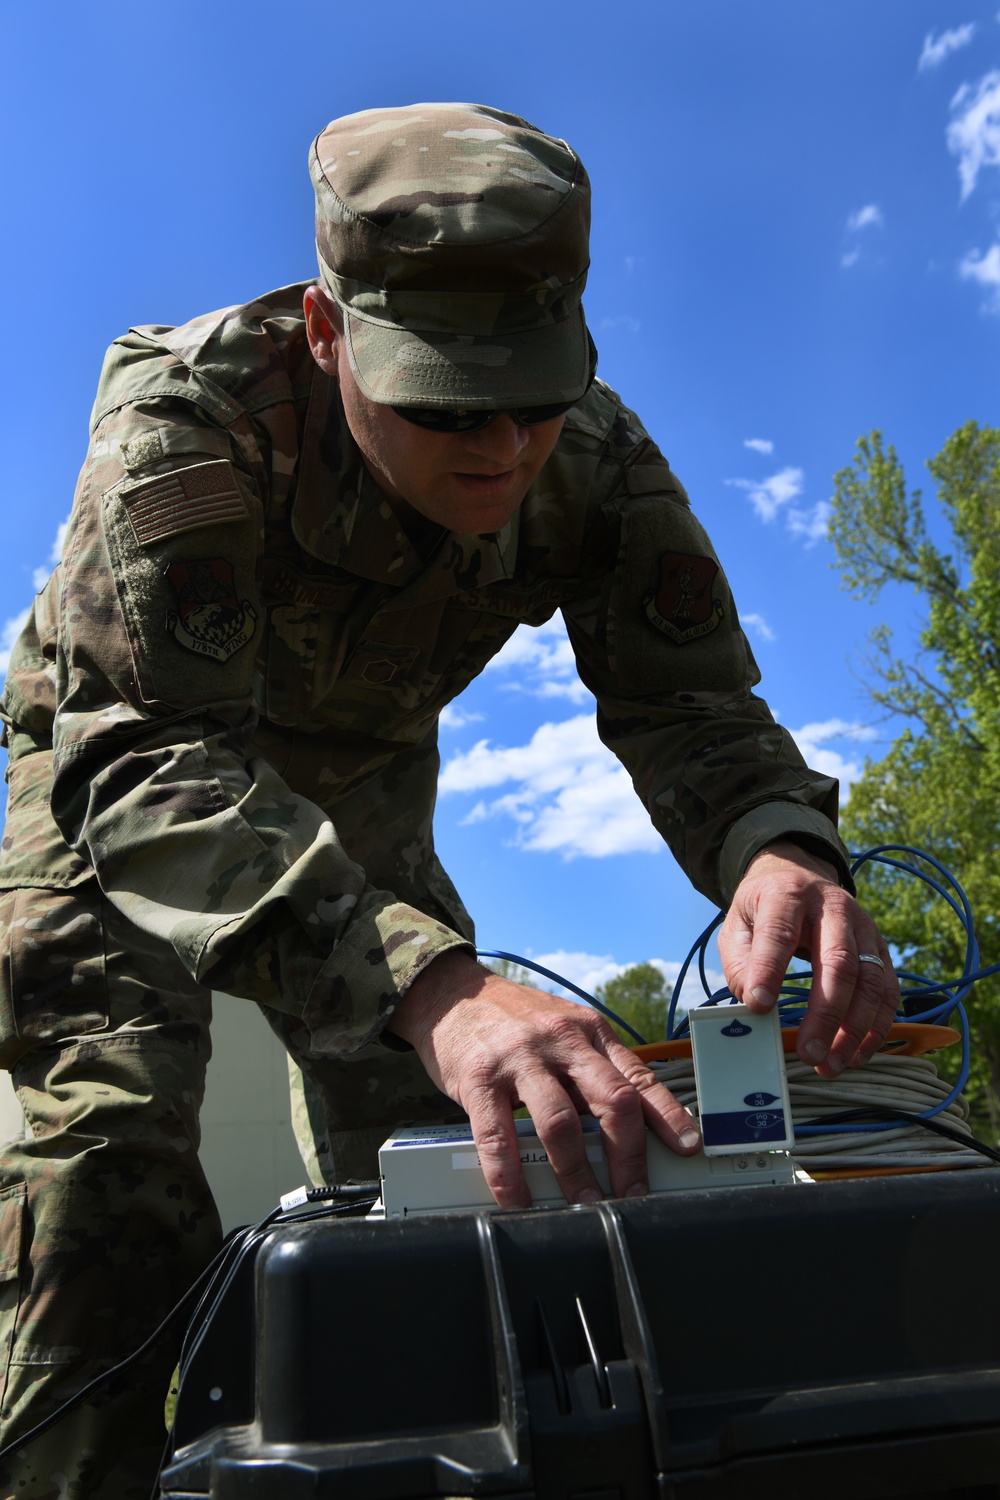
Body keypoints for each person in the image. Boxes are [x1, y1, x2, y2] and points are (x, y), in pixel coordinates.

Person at [0, 102, 898, 1496]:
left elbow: (692, 701)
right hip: (120, 783)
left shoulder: (593, 455)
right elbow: (146, 760)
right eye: (444, 402)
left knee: (466, 1164)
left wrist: (777, 849)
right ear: (323, 333)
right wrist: (430, 980)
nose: (501, 450)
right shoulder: (189, 412)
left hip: (361, 788)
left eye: (535, 400)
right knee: (103, 1180)